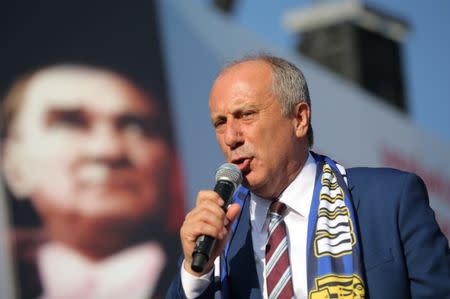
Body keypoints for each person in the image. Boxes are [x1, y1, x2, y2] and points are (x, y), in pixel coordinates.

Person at [166, 54, 450, 299]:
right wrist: (194, 272)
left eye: (246, 115)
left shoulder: (390, 200)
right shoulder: (217, 234)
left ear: (299, 119)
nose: (230, 137)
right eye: (220, 122)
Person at [0, 64, 184, 299]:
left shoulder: (217, 274)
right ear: (12, 164)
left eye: (136, 127)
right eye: (69, 122)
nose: (108, 150)